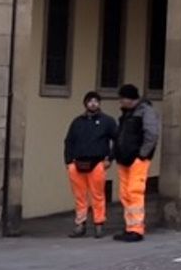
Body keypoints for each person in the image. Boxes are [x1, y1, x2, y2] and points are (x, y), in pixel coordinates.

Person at [112, 82, 161, 242]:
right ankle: (130, 226)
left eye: (122, 98)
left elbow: (152, 134)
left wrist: (142, 155)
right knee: (126, 194)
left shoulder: (144, 112)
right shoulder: (128, 113)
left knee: (134, 192)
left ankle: (136, 229)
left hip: (136, 159)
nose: (120, 102)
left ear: (129, 99)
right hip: (125, 159)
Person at [63, 91, 115, 238]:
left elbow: (117, 140)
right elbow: (68, 141)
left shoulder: (107, 121)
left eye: (96, 101)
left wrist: (109, 159)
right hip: (77, 164)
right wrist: (68, 161)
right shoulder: (77, 122)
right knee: (79, 196)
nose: (93, 103)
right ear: (85, 103)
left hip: (97, 163)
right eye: (90, 101)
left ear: (99, 103)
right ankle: (80, 224)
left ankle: (99, 224)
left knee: (97, 195)